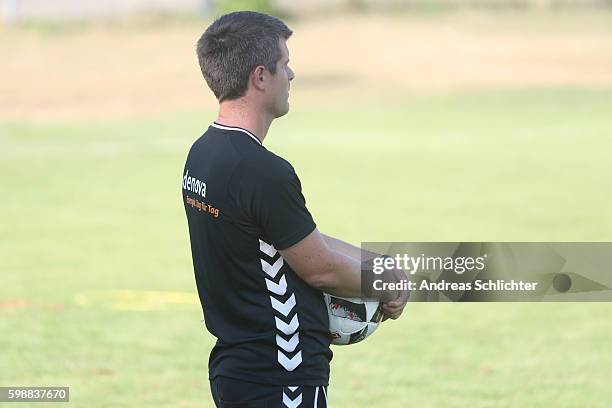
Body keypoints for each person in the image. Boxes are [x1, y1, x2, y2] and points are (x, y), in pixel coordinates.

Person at [182, 11, 408, 407]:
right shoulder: (262, 171)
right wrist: (383, 281)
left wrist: (376, 264)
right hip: (281, 377)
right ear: (259, 76)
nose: (292, 75)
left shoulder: (203, 154)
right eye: (285, 64)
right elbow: (318, 267)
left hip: (237, 369)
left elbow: (294, 239)